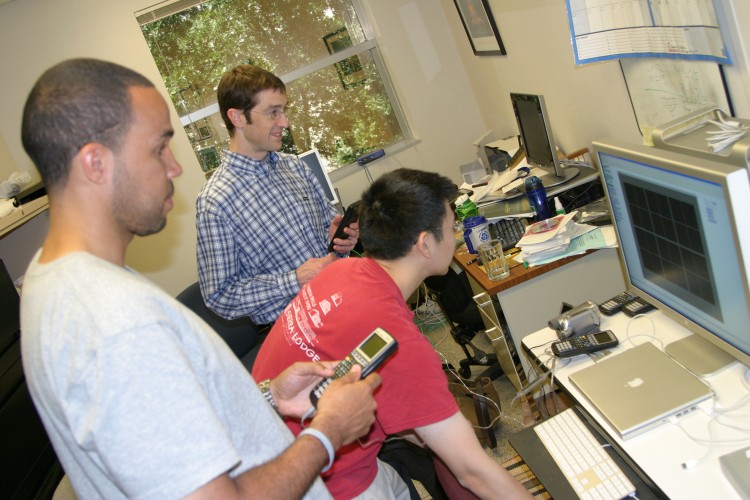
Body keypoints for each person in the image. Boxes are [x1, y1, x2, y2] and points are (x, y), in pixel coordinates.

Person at [19, 58, 381, 499]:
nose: (174, 168)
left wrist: (268, 395)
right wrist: (328, 431)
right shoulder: (118, 326)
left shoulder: (61, 284)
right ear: (95, 163)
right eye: (158, 148)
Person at [252, 169, 532, 499]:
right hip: (323, 482)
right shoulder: (399, 342)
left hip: (266, 452)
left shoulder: (341, 270)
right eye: (451, 226)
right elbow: (474, 473)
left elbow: (413, 419)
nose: (455, 237)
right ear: (425, 244)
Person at [195, 64, 359, 327]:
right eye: (273, 113)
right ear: (238, 118)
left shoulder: (293, 166)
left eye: (283, 110)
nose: (285, 122)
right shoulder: (216, 202)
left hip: (345, 294)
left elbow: (329, 229)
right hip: (300, 326)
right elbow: (220, 296)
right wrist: (294, 279)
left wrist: (340, 240)